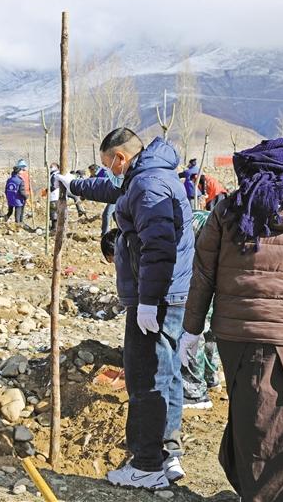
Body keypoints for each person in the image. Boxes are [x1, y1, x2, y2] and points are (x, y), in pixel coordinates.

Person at [180, 138, 283, 501]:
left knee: (253, 417)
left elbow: (202, 275)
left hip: (236, 334)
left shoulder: (227, 212)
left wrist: (191, 330)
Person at [55, 128, 194, 489]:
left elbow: (158, 247)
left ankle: (147, 465)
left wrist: (147, 300)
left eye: (108, 165)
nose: (109, 172)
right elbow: (112, 190)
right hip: (171, 293)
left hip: (157, 296)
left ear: (120, 157)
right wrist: (74, 185)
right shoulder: (149, 175)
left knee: (146, 376)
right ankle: (168, 452)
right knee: (167, 371)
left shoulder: (148, 186)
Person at [180, 209, 221, 410]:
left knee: (193, 332)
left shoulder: (192, 224)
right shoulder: (211, 219)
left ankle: (194, 393)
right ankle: (212, 378)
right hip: (221, 281)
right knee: (211, 331)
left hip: (203, 281)